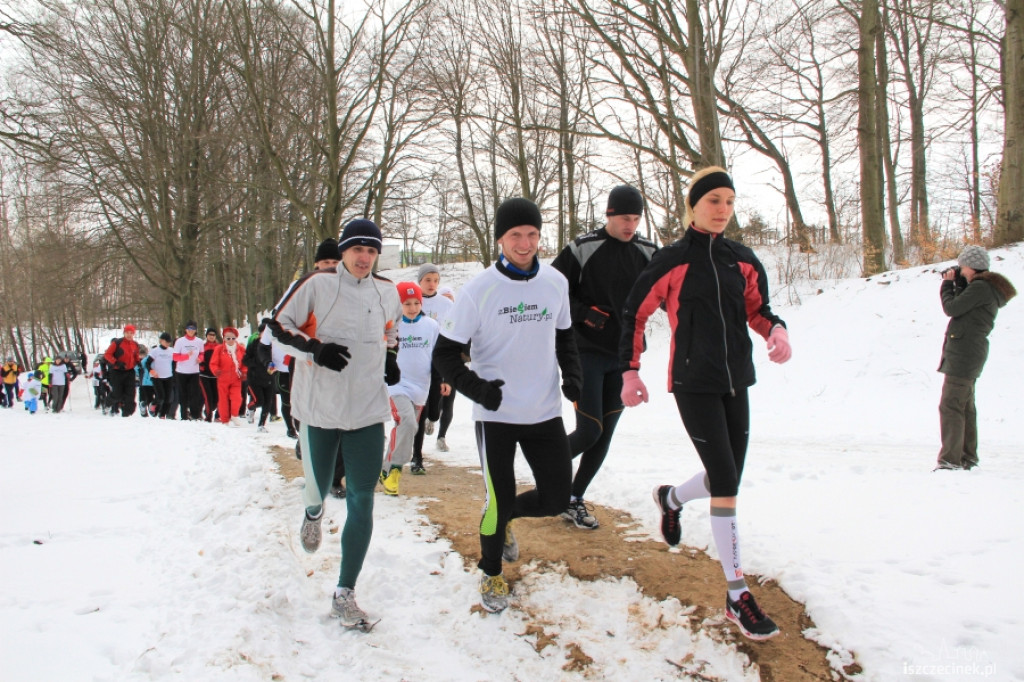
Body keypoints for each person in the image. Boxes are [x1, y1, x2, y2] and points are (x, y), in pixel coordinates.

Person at [619, 167, 790, 641]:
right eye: (714, 200)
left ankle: (670, 498)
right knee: (727, 482)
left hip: (738, 381)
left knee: (725, 476)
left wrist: (776, 330)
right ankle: (737, 595)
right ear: (693, 205)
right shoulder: (672, 260)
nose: (723, 210)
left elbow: (758, 310)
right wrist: (629, 370)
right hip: (693, 383)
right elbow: (634, 313)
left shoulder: (743, 260)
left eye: (730, 201)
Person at [433, 197, 581, 613]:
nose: (525, 243)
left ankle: (506, 518)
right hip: (495, 415)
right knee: (497, 498)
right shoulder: (478, 291)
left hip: (544, 411)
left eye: (532, 234)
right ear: (500, 238)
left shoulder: (555, 282)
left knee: (557, 498)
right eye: (516, 235)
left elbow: (565, 336)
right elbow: (444, 354)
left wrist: (573, 376)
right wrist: (477, 389)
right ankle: (492, 570)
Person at [268, 218, 401, 632]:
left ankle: (345, 591)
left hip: (367, 409)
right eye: (357, 249)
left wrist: (391, 357)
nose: (364, 257)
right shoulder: (317, 285)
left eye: (371, 250)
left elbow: (392, 330)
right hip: (319, 408)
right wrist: (315, 349)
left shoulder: (387, 291)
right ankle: (313, 511)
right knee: (319, 486)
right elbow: (276, 325)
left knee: (362, 497)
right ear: (343, 251)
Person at [551, 184, 657, 530]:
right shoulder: (582, 248)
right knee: (589, 431)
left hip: (625, 359)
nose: (631, 225)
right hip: (586, 353)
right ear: (609, 214)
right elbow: (551, 290)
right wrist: (583, 313)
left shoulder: (648, 251)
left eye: (636, 219)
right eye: (625, 218)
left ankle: (572, 498)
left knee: (604, 434)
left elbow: (672, 289)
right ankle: (545, 470)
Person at [935, 245, 1016, 471]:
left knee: (951, 406)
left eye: (962, 266)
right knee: (965, 407)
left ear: (971, 266)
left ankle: (949, 461)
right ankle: (967, 458)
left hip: (964, 355)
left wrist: (947, 285)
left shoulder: (981, 288)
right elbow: (964, 307)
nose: (960, 270)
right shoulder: (982, 288)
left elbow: (952, 308)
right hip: (969, 353)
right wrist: (959, 285)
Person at [380, 282, 440, 495]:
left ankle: (385, 468)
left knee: (406, 428)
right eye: (407, 303)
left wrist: (444, 380)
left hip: (421, 387)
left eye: (416, 303)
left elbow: (438, 356)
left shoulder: (431, 326)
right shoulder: (391, 326)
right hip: (396, 384)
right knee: (407, 422)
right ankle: (395, 471)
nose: (413, 308)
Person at [413, 262, 455, 466]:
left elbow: (453, 331)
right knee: (420, 407)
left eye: (436, 280)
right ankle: (416, 453)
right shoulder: (413, 301)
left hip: (439, 359)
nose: (432, 284)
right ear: (420, 281)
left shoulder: (446, 304)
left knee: (435, 409)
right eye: (428, 280)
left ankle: (434, 419)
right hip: (418, 359)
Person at [209, 326, 247, 426]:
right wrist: (216, 370)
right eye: (228, 338)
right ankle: (225, 419)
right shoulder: (219, 349)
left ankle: (234, 415)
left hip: (236, 377)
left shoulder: (241, 349)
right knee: (223, 400)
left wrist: (244, 372)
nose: (230, 340)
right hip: (223, 378)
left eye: (233, 338)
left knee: (237, 398)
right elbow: (213, 363)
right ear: (224, 338)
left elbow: (245, 363)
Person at [103, 324, 142, 417]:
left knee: (130, 394)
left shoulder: (135, 344)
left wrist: (138, 362)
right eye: (127, 333)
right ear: (124, 333)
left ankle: (127, 414)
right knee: (117, 394)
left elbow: (136, 355)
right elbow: (107, 355)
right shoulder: (117, 343)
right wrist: (116, 362)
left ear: (134, 334)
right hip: (117, 371)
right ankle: (107, 403)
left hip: (130, 371)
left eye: (131, 333)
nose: (129, 335)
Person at [243, 328, 275, 432]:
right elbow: (245, 360)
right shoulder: (254, 344)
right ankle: (250, 409)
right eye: (264, 333)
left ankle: (261, 425)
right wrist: (257, 362)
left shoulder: (274, 345)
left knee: (268, 403)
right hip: (254, 378)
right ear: (260, 334)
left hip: (269, 377)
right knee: (259, 401)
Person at [172, 322, 205, 420]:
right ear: (186, 330)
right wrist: (186, 356)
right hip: (181, 371)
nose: (191, 331)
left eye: (193, 329)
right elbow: (175, 357)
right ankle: (184, 415)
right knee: (183, 394)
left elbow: (202, 353)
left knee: (194, 393)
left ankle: (195, 415)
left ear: (195, 330)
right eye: (189, 329)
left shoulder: (199, 341)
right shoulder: (180, 341)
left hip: (194, 371)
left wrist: (200, 358)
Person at [149, 332, 177, 418]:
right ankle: (153, 404)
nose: (168, 343)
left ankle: (162, 415)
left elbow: (175, 363)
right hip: (157, 377)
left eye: (169, 342)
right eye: (166, 341)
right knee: (161, 396)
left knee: (168, 398)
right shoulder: (155, 351)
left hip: (168, 376)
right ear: (161, 340)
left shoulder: (172, 351)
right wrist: (152, 371)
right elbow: (147, 363)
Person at [199, 327, 220, 421]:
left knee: (216, 398)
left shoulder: (219, 347)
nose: (212, 336)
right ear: (206, 336)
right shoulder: (202, 347)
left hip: (216, 375)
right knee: (208, 397)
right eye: (210, 335)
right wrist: (201, 364)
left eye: (213, 335)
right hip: (204, 375)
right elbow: (198, 357)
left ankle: (210, 410)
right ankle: (208, 417)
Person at [136, 346, 155, 417]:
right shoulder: (146, 359)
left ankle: (144, 408)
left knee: (146, 397)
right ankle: (147, 409)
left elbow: (136, 368)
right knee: (147, 397)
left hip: (146, 381)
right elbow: (136, 368)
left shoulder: (146, 359)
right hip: (148, 381)